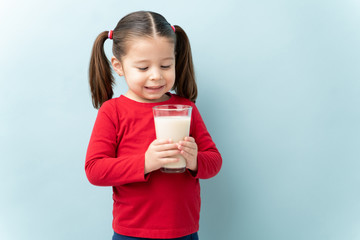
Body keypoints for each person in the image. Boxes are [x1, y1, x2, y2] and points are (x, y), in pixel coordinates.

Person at [85, 11, 222, 240]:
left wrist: (194, 160)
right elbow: (95, 170)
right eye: (143, 68)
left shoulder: (185, 108)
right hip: (133, 233)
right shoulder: (113, 112)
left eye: (166, 65)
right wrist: (146, 162)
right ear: (118, 66)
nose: (156, 76)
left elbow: (214, 161)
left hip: (184, 231)